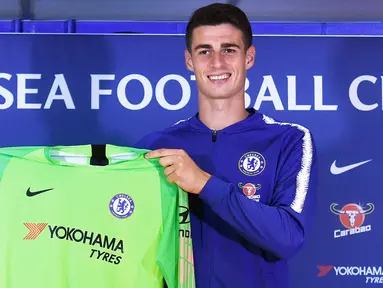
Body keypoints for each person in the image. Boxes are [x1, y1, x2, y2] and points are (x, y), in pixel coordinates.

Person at [135, 3, 317, 287]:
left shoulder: (288, 140)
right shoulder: (156, 146)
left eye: (229, 50)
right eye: (204, 51)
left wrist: (205, 184)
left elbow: (288, 238)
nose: (217, 63)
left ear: (249, 57)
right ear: (189, 61)